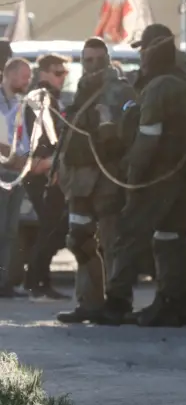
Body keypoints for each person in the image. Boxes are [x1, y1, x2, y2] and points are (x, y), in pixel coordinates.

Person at [99, 24, 186, 327]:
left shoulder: (159, 88)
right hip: (183, 178)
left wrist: (131, 176)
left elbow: (148, 138)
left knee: (129, 235)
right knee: (172, 236)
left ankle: (116, 303)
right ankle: (177, 302)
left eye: (143, 49)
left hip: (155, 179)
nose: (141, 56)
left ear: (153, 50)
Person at [55, 37, 136, 323]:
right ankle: (89, 303)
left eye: (98, 60)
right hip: (78, 180)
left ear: (107, 59)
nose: (92, 65)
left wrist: (109, 127)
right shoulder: (81, 89)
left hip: (107, 178)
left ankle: (117, 303)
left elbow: (130, 134)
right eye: (87, 60)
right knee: (79, 240)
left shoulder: (121, 90)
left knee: (113, 242)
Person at [22, 53, 72, 300]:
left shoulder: (50, 98)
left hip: (49, 170)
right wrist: (48, 162)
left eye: (64, 73)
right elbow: (37, 135)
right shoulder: (39, 98)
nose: (62, 78)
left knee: (53, 227)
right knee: (51, 228)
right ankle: (36, 282)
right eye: (58, 72)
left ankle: (40, 280)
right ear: (42, 73)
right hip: (42, 172)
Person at [0, 58, 49, 298]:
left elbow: (24, 138)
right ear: (9, 75)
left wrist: (27, 160)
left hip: (17, 173)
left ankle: (4, 283)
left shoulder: (21, 102)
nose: (27, 81)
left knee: (10, 230)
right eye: (24, 76)